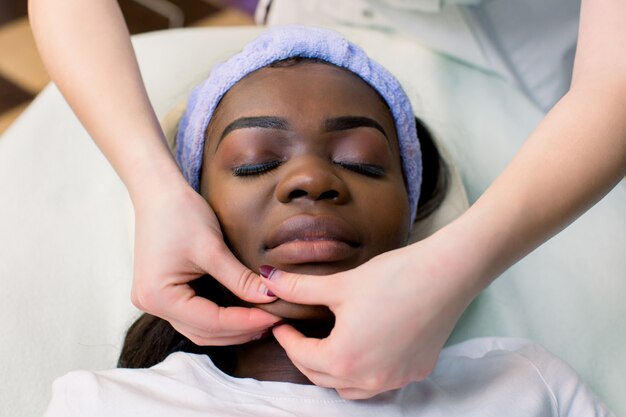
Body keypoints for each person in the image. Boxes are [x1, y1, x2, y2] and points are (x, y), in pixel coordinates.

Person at [28, 0, 626, 399]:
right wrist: (151, 182)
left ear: (413, 217)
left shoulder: (524, 388)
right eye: (255, 161)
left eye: (361, 161)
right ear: (198, 211)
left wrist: (463, 260)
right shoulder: (109, 403)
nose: (310, 180)